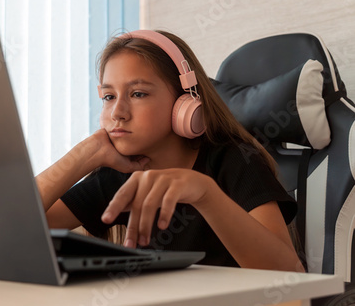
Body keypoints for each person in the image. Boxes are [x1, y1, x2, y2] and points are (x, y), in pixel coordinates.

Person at [36, 29, 305, 272]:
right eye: (109, 97)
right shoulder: (118, 173)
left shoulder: (234, 160)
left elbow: (290, 276)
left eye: (138, 94)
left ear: (185, 103)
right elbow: (10, 228)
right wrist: (82, 156)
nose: (117, 112)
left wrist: (206, 195)